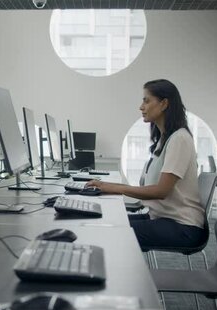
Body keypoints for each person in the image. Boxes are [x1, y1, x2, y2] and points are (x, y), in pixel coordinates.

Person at [86, 79, 207, 250]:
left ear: (164, 103)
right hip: (160, 218)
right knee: (105, 222)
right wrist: (107, 186)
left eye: (146, 100)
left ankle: (115, 276)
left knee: (110, 231)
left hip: (183, 227)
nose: (141, 107)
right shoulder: (164, 139)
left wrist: (114, 188)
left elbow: (161, 191)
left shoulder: (179, 139)